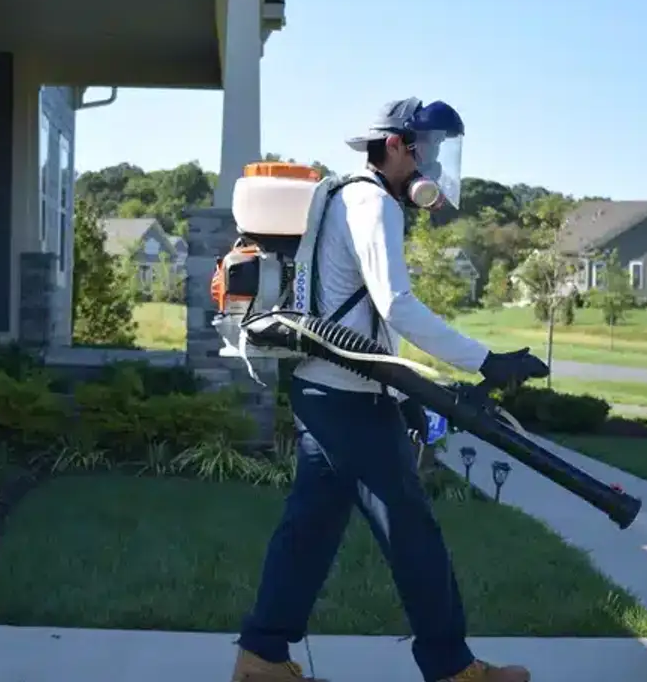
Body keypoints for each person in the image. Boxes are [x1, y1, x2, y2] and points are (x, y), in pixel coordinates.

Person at [231, 99, 548, 682]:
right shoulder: (373, 201)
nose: (430, 165)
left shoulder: (348, 196)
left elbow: (363, 322)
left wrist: (400, 397)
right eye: (426, 149)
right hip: (346, 396)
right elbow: (395, 307)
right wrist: (487, 360)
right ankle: (454, 669)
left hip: (331, 389)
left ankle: (261, 658)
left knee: (310, 530)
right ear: (396, 146)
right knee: (411, 532)